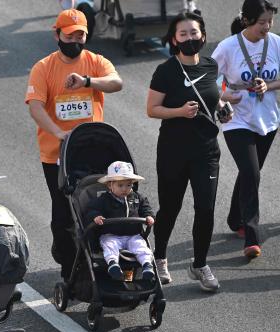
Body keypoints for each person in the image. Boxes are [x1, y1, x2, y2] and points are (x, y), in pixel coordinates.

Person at [25, 8, 122, 280]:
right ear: (56, 35)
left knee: (98, 207)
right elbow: (35, 107)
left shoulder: (95, 61)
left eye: (80, 36)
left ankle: (102, 260)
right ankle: (69, 267)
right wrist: (59, 134)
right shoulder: (43, 68)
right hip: (57, 154)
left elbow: (117, 82)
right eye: (69, 37)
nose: (75, 42)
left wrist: (88, 81)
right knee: (63, 213)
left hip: (93, 149)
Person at [146, 12, 230, 291]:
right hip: (173, 151)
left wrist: (223, 109)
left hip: (206, 152)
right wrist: (179, 112)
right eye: (183, 34)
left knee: (205, 208)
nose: (190, 38)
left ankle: (200, 264)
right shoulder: (166, 71)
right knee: (170, 207)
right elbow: (152, 109)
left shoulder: (211, 65)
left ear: (203, 36)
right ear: (174, 40)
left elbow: (214, 98)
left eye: (194, 33)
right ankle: (159, 257)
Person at [212, 0, 280, 259]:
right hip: (237, 119)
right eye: (261, 22)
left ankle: (235, 218)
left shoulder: (275, 43)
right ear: (247, 21)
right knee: (252, 173)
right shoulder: (228, 47)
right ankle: (252, 236)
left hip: (268, 119)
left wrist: (269, 86)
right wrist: (222, 100)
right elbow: (207, 79)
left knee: (249, 171)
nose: (267, 27)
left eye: (270, 21)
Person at [87, 162, 155, 281]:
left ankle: (147, 265)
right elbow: (92, 210)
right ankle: (113, 264)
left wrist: (149, 216)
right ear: (110, 185)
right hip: (112, 234)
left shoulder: (137, 198)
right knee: (109, 245)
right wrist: (96, 216)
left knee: (141, 247)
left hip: (133, 234)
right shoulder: (104, 200)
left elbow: (146, 208)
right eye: (120, 185)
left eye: (128, 185)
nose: (125, 189)